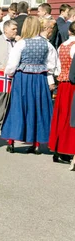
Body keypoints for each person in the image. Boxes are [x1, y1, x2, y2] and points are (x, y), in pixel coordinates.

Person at [2, 16, 56, 154]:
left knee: (18, 108)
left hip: (22, 79)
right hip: (40, 79)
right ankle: (36, 143)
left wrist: (9, 73)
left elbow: (12, 65)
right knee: (37, 108)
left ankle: (12, 140)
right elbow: (52, 66)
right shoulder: (47, 44)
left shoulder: (21, 44)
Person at [49, 21, 75, 163]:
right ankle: (67, 149)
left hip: (63, 83)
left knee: (62, 115)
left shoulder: (62, 46)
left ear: (70, 31)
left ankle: (58, 147)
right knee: (71, 117)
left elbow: (57, 68)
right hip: (72, 84)